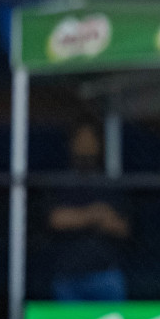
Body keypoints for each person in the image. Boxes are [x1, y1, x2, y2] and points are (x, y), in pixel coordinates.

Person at [47, 120, 130, 301]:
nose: (86, 145)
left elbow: (122, 227)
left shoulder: (109, 183)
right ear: (72, 144)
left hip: (106, 275)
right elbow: (56, 219)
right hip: (67, 275)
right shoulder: (61, 182)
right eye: (81, 140)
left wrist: (83, 218)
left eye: (90, 140)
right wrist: (94, 215)